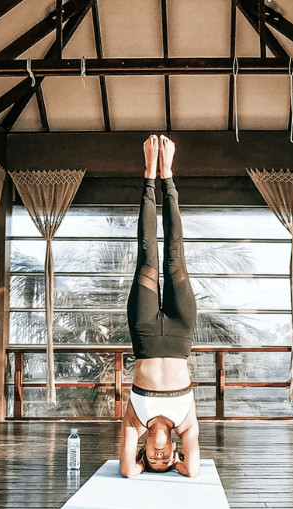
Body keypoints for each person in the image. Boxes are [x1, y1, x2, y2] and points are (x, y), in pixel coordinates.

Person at [119, 135, 201, 479]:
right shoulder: (186, 424)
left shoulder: (135, 421)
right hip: (181, 332)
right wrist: (179, 466)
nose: (157, 456)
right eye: (164, 459)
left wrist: (139, 467)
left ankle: (149, 176)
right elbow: (193, 470)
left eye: (150, 459)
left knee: (147, 254)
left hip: (146, 335)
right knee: (175, 257)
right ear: (173, 452)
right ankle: (169, 177)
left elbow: (127, 471)